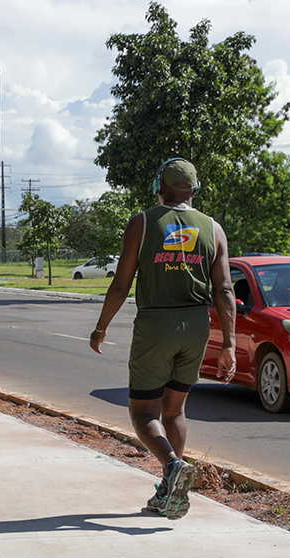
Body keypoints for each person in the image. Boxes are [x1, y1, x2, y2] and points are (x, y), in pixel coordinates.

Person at [89, 158, 236, 519]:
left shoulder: (142, 222)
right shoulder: (213, 228)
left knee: (143, 411)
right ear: (194, 190)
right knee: (176, 410)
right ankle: (172, 494)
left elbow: (122, 283)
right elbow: (225, 289)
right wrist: (229, 344)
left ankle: (172, 466)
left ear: (161, 186)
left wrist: (101, 326)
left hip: (156, 325)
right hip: (197, 325)